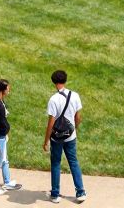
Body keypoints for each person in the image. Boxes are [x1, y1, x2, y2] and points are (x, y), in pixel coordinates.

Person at [43, 69, 86, 204]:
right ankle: (80, 192)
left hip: (56, 138)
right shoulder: (75, 96)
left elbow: (51, 122)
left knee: (56, 164)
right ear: (65, 80)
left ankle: (55, 194)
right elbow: (78, 117)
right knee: (73, 162)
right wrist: (74, 129)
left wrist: (46, 140)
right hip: (70, 136)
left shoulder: (53, 100)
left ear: (54, 82)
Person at [0, 79, 22, 195]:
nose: (9, 90)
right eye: (8, 88)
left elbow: (3, 120)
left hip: (3, 136)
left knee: (5, 160)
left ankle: (7, 182)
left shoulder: (1, 101)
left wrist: (6, 133)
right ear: (2, 90)